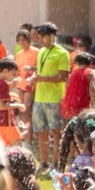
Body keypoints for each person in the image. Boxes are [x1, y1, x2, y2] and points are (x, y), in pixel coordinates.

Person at [31, 22, 72, 173]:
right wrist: (33, 77)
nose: (41, 40)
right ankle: (43, 163)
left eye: (44, 37)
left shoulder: (62, 53)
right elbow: (39, 71)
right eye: (39, 37)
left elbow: (63, 76)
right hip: (39, 98)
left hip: (54, 99)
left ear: (52, 36)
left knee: (56, 132)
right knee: (41, 132)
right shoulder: (41, 51)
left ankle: (56, 163)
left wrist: (41, 78)